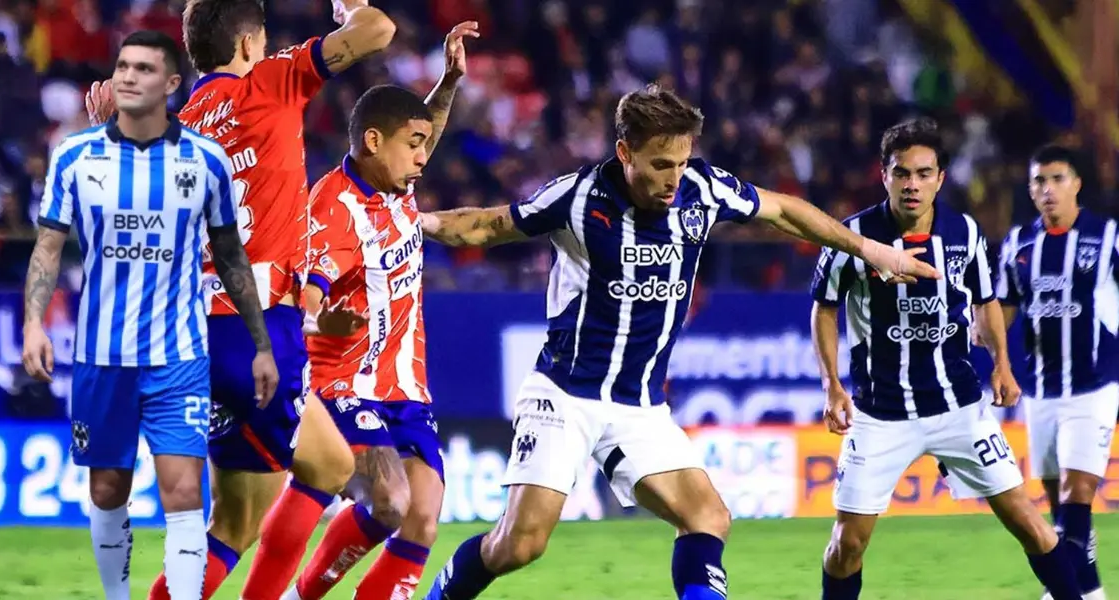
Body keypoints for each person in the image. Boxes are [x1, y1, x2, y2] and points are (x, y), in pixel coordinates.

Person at [416, 84, 938, 600]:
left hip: (639, 407)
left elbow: (783, 211)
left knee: (707, 515)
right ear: (625, 153)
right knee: (519, 545)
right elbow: (487, 226)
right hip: (565, 396)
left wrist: (871, 249)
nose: (674, 178)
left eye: (682, 162)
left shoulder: (703, 190)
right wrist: (417, 223)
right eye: (661, 164)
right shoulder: (577, 197)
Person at [85, 2, 397, 598]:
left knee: (249, 513)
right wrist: (349, 7)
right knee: (320, 476)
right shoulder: (271, 79)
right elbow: (378, 30)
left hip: (189, 337)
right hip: (258, 332)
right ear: (252, 43)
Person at [22, 30, 278, 600]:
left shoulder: (207, 161)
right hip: (100, 356)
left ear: (170, 84)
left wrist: (261, 343)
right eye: (122, 67)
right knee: (109, 489)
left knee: (184, 492)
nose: (128, 77)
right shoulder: (76, 155)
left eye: (143, 68)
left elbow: (232, 257)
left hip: (179, 355)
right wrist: (34, 322)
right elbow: (48, 246)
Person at [810, 119, 1082, 600]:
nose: (912, 184)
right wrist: (832, 383)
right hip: (880, 413)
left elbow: (985, 300)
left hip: (958, 406)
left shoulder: (964, 232)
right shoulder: (853, 237)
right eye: (901, 173)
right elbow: (824, 310)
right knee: (848, 543)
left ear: (940, 177)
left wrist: (1001, 362)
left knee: (1029, 522)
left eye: (923, 173)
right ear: (884, 175)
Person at [278, 24, 476, 600]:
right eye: (412, 145)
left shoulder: (396, 185)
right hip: (343, 384)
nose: (423, 157)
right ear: (371, 141)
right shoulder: (332, 209)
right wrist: (323, 322)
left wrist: (450, 81)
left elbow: (423, 129)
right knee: (390, 499)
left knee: (423, 518)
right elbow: (299, 311)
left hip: (407, 388)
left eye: (423, 145)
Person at [994, 144, 1114, 599]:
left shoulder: (1107, 237)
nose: (1048, 190)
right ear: (1030, 189)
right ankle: (1091, 592)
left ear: (1077, 184)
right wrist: (981, 338)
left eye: (1057, 179)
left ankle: (1060, 592)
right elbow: (1003, 306)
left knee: (1076, 495)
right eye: (1039, 182)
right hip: (1041, 391)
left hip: (1095, 386)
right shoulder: (1018, 244)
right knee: (1057, 503)